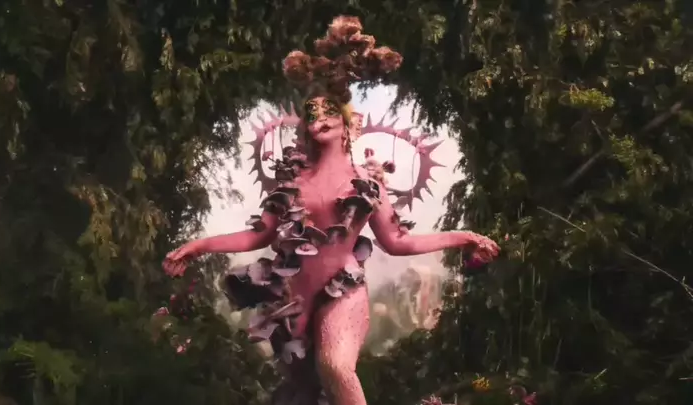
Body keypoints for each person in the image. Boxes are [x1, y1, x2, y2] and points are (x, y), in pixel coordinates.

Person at [162, 15, 499, 405]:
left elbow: (398, 242)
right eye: (312, 113)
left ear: (347, 123)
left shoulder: (367, 185)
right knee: (304, 392)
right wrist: (197, 247)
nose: (319, 118)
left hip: (343, 294)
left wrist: (464, 238)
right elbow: (258, 235)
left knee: (336, 366)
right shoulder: (291, 183)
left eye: (328, 112)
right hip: (293, 302)